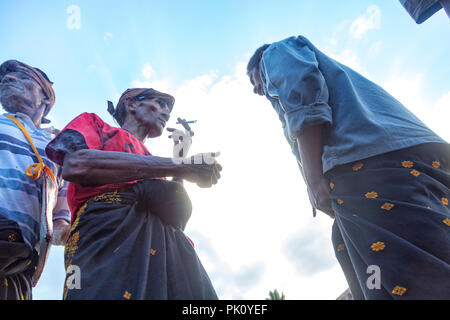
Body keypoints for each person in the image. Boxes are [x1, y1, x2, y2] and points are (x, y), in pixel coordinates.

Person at [247, 36, 450, 299]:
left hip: (372, 167)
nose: (256, 90)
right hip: (417, 160)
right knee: (407, 262)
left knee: (413, 279)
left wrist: (314, 181)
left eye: (254, 82)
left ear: (259, 63)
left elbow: (302, 94)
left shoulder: (275, 53)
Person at [45, 88, 222, 300]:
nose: (166, 113)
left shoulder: (156, 164)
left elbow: (174, 213)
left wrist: (180, 157)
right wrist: (179, 164)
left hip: (164, 254)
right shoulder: (96, 125)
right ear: (131, 104)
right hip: (105, 240)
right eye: (160, 103)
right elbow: (76, 165)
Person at [0, 60, 71, 300]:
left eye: (22, 78)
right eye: (6, 78)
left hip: (18, 264)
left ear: (45, 99)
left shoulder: (59, 149)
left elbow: (62, 224)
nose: (8, 80)